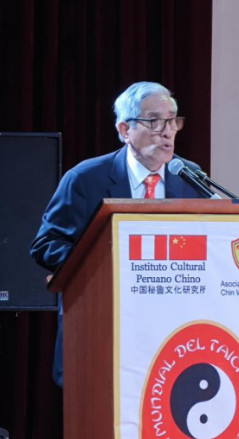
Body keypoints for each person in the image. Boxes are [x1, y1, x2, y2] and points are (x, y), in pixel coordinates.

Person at [31, 81, 203, 387]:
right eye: (155, 121)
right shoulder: (86, 179)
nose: (167, 131)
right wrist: (101, 261)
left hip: (171, 335)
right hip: (104, 324)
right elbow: (46, 244)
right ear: (125, 130)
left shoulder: (190, 178)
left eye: (172, 120)